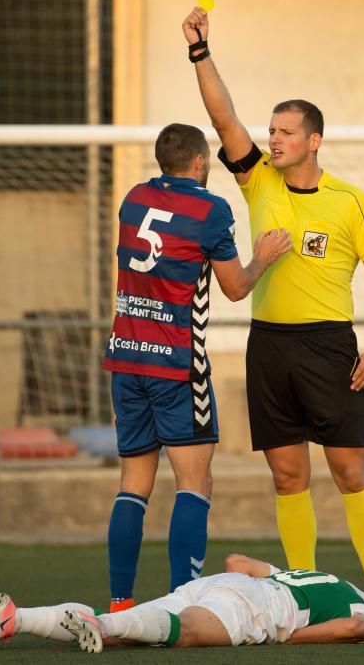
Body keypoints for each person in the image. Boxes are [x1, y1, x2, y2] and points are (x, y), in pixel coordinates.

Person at [181, 8, 364, 596]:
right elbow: (220, 115)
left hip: (330, 346)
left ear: (313, 141)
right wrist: (201, 51)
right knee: (286, 475)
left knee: (351, 472)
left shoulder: (352, 202)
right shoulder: (259, 180)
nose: (272, 139)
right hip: (268, 345)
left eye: (284, 132)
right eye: (271, 131)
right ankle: (303, 588)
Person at [101, 123, 291, 612]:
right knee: (195, 482)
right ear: (201, 164)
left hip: (126, 356)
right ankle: (182, 605)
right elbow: (235, 287)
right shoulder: (211, 210)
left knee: (133, 485)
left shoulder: (134, 198)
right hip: (176, 364)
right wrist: (263, 256)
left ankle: (121, 603)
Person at [0, 554, 364, 654]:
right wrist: (294, 636)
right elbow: (355, 629)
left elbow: (238, 560)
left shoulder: (329, 578)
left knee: (135, 633)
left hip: (218, 583)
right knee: (184, 636)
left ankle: (18, 618)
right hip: (253, 604)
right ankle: (102, 627)